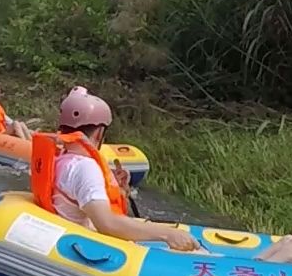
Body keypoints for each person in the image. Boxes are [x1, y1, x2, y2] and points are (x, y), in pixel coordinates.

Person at [29, 88, 205, 253]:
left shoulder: (61, 159)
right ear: (99, 132)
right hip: (83, 250)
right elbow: (107, 224)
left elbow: (78, 200)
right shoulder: (85, 168)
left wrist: (118, 190)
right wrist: (168, 234)